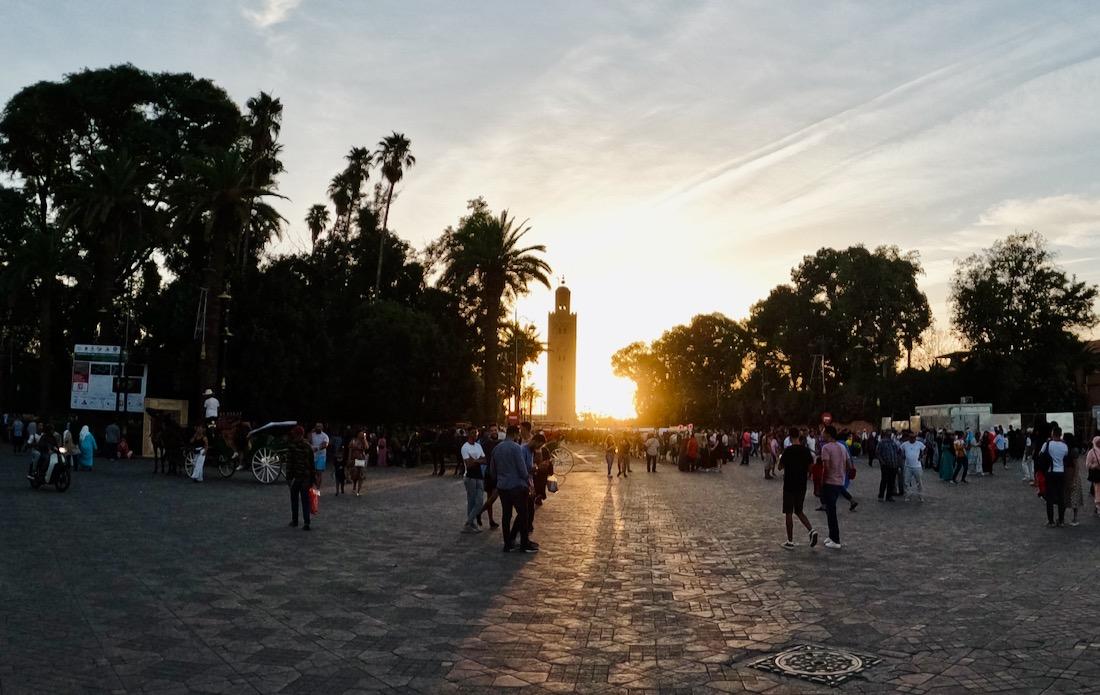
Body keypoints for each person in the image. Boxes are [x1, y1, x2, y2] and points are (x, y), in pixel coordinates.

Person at [489, 424, 537, 553]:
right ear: (515, 434)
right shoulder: (516, 448)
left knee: (506, 515)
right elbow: (522, 469)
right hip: (516, 486)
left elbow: (492, 470)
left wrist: (499, 480)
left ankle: (507, 544)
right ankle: (524, 544)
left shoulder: (497, 448)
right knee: (523, 514)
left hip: (503, 486)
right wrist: (529, 483)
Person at [779, 428, 819, 549]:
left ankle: (790, 541)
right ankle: (811, 530)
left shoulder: (788, 451)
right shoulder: (806, 451)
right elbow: (811, 468)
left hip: (789, 484)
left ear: (789, 437)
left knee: (788, 512)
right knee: (799, 510)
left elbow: (780, 467)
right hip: (802, 484)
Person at [819, 426, 852, 549]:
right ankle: (831, 535)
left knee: (831, 511)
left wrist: (823, 481)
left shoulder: (826, 448)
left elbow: (826, 467)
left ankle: (836, 539)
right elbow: (848, 465)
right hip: (839, 481)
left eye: (823, 432)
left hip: (829, 481)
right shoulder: (842, 447)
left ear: (828, 434)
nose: (822, 434)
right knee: (830, 510)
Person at [1038, 426, 1069, 527]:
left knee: (1049, 498)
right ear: (1060, 434)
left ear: (1052, 433)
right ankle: (1061, 520)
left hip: (1050, 472)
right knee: (1061, 497)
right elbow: (1065, 457)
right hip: (1061, 472)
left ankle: (1050, 521)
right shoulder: (1065, 445)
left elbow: (1040, 455)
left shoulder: (1047, 444)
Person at [285, 425, 314, 530]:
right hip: (305, 476)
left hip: (297, 477)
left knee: (295, 499)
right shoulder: (308, 445)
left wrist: (288, 478)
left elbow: (289, 463)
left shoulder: (292, 445)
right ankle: (306, 522)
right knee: (305, 500)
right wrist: (312, 478)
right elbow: (312, 463)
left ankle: (295, 521)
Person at [460, 429, 486, 533]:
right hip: (470, 476)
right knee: (471, 501)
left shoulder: (478, 446)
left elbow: (485, 460)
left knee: (479, 502)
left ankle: (468, 522)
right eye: (472, 433)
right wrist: (478, 460)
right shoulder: (465, 447)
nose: (475, 435)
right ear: (468, 434)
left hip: (479, 476)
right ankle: (471, 524)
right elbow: (468, 464)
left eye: (476, 433)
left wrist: (474, 460)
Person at [900, 431, 926, 502]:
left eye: (914, 437)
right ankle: (907, 496)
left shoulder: (919, 444)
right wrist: (902, 456)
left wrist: (921, 456)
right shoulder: (905, 444)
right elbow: (900, 450)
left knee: (919, 482)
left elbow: (925, 449)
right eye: (911, 437)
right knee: (906, 482)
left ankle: (920, 496)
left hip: (917, 466)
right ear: (909, 437)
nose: (913, 439)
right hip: (908, 466)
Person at [876, 431, 900, 501]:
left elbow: (897, 452)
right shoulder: (881, 442)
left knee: (891, 481)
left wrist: (897, 462)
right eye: (888, 434)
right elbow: (877, 453)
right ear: (886, 434)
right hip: (885, 465)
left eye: (891, 434)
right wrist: (882, 462)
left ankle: (889, 496)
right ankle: (881, 496)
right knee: (884, 480)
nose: (890, 435)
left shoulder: (893, 442)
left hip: (894, 465)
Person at [309, 422, 329, 488]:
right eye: (317, 426)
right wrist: (310, 433)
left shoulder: (325, 436)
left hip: (321, 456)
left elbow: (325, 445)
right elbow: (308, 441)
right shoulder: (312, 434)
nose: (318, 428)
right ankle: (314, 486)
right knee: (313, 473)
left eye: (319, 426)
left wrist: (317, 449)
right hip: (313, 456)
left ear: (322, 428)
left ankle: (317, 488)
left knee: (319, 472)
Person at [348, 430, 367, 497]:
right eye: (361, 434)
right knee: (354, 474)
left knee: (361, 475)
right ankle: (354, 485)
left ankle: (359, 491)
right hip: (354, 459)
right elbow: (350, 450)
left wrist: (364, 439)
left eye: (363, 434)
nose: (362, 435)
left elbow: (367, 447)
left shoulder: (363, 441)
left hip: (361, 459)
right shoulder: (353, 441)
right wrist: (349, 459)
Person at [1086, 436, 1100, 518]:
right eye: (1098, 441)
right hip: (1097, 475)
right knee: (1098, 491)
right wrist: (1095, 466)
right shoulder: (1091, 452)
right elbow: (1088, 464)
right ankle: (1098, 508)